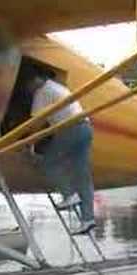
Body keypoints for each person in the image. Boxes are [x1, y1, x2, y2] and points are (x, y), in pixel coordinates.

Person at [28, 65, 96, 235]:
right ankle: (88, 219)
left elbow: (36, 123)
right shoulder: (59, 87)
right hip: (85, 127)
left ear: (37, 79)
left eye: (29, 83)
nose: (28, 88)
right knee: (82, 176)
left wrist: (29, 145)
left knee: (48, 163)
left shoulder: (41, 92)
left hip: (69, 129)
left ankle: (68, 195)